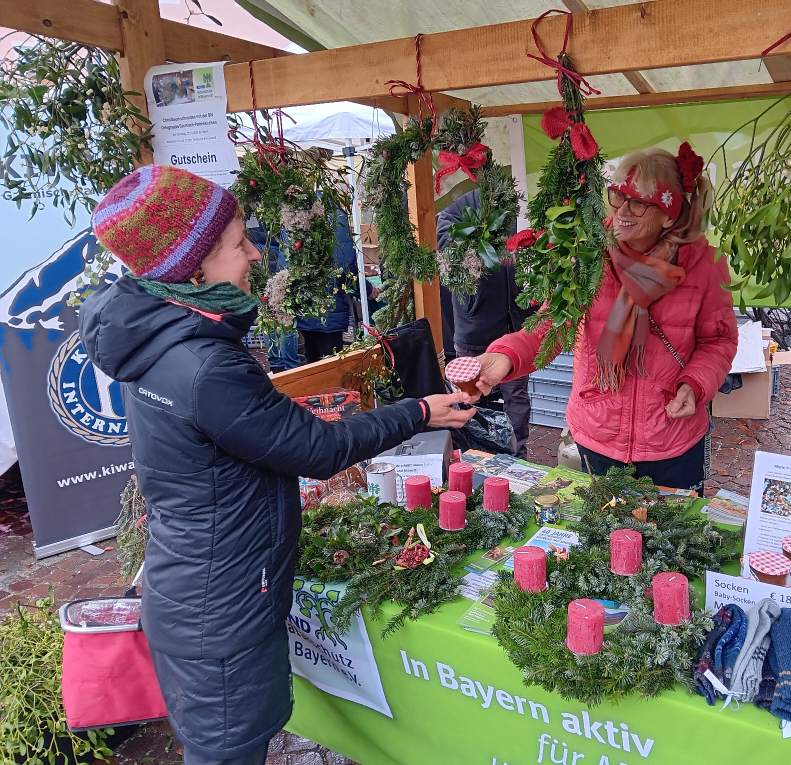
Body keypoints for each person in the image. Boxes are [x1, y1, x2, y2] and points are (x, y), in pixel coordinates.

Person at [79, 165, 474, 765]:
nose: (255, 255)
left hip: (199, 590)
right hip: (221, 611)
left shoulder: (159, 337)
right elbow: (319, 449)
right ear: (193, 268)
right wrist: (420, 410)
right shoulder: (203, 364)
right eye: (239, 244)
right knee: (228, 751)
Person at [474, 146, 737, 492]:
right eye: (618, 196)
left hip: (672, 437)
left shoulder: (704, 264)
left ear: (669, 215)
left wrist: (695, 383)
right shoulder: (589, 251)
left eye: (639, 202)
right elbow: (554, 321)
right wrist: (507, 355)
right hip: (598, 432)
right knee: (600, 537)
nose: (623, 211)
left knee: (670, 540)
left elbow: (718, 340)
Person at [437, 189, 534, 457]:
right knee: (470, 396)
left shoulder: (521, 206)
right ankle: (474, 453)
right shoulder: (463, 205)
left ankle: (518, 454)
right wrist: (480, 248)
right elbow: (444, 240)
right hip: (474, 326)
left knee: (516, 396)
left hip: (516, 324)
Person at [296, 211, 357, 362]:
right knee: (331, 363)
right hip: (331, 309)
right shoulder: (337, 217)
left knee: (311, 360)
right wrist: (367, 290)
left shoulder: (294, 215)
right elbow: (346, 267)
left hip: (305, 309)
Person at [246, 222, 302, 372]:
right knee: (277, 320)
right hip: (268, 271)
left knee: (278, 319)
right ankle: (284, 367)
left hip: (272, 271)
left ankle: (283, 367)